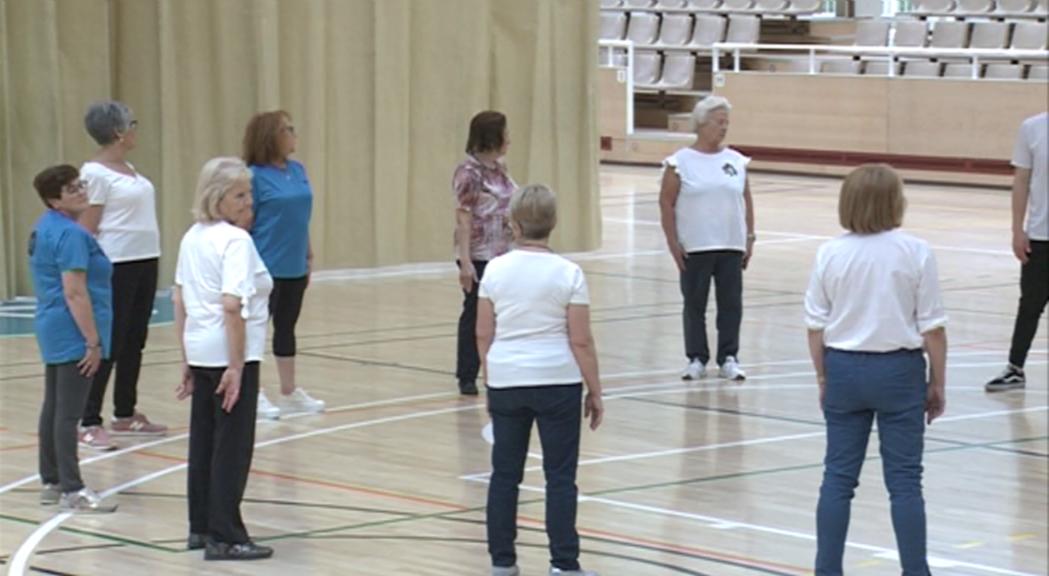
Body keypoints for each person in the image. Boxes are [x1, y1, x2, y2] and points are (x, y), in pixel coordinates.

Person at [804, 164, 947, 575]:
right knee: (904, 482)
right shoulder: (915, 251)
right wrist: (937, 382)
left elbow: (815, 327)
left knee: (837, 478)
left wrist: (822, 377)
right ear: (895, 202)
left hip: (844, 368)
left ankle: (827, 570)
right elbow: (933, 329)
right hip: (899, 372)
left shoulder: (830, 253)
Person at [477, 184, 604, 576]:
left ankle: (503, 563)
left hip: (507, 381)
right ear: (553, 223)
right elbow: (580, 339)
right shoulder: (569, 273)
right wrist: (595, 390)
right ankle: (564, 565)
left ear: (513, 224)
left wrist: (490, 375)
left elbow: (483, 332)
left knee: (505, 475)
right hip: (558, 382)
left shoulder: (495, 269)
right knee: (560, 477)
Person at [173, 157, 274, 561]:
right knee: (232, 447)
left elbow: (179, 299)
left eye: (249, 193)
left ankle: (201, 526)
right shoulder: (235, 242)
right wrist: (235, 367)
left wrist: (186, 356)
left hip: (200, 348)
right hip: (231, 353)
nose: (248, 202)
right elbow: (233, 305)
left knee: (204, 442)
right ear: (218, 197)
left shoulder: (192, 236)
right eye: (239, 195)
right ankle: (226, 535)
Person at [78, 100, 167, 450]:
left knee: (134, 339)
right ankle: (88, 419)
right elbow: (87, 227)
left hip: (145, 261)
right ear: (118, 131)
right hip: (116, 265)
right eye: (132, 123)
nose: (136, 129)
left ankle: (125, 413)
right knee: (110, 342)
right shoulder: (95, 174)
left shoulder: (128, 168)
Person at [29, 164, 118, 513]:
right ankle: (72, 488)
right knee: (68, 413)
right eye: (71, 189)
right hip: (72, 329)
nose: (81, 191)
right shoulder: (72, 236)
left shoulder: (45, 227)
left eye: (80, 185)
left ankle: (50, 479)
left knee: (53, 406)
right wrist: (92, 341)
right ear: (54, 200)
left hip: (52, 325)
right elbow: (75, 291)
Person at [659, 96, 755, 383]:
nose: (724, 128)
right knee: (694, 304)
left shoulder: (736, 161)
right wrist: (673, 242)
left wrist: (750, 237)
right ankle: (696, 358)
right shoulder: (679, 163)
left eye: (727, 122)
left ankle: (729, 357)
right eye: (719, 122)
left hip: (730, 245)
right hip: (695, 246)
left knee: (731, 304)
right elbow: (666, 203)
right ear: (701, 124)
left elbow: (746, 200)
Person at [243, 110, 324, 419]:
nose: (293, 134)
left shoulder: (297, 170)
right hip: (265, 263)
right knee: (257, 328)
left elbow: (300, 215)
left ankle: (289, 391)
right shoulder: (253, 176)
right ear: (270, 137)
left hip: (294, 262)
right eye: (287, 129)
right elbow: (246, 223)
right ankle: (254, 393)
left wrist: (308, 251)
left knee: (286, 327)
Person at [454, 110, 516, 396]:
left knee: (503, 312)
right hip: (478, 252)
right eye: (505, 134)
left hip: (503, 250)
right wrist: (466, 262)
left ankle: (500, 367)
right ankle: (467, 374)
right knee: (474, 312)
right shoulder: (469, 174)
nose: (509, 140)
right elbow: (464, 217)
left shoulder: (499, 169)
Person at [986, 112, 1048, 392]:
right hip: (1040, 235)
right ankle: (1015, 368)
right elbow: (1021, 180)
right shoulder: (1032, 128)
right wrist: (1017, 229)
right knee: (1030, 305)